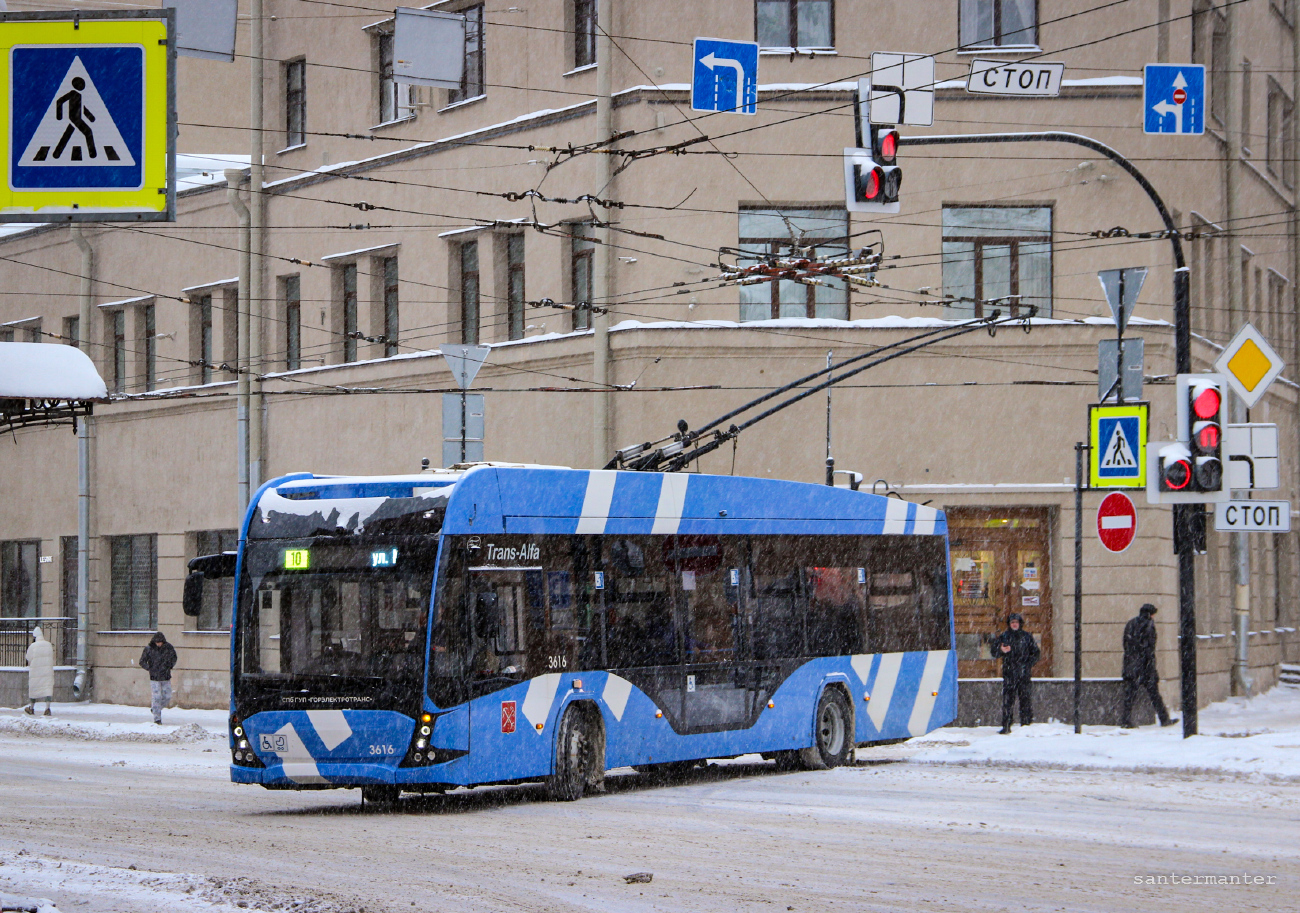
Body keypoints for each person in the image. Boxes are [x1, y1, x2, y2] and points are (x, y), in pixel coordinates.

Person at [1120, 603, 1176, 728]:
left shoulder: (1131, 623)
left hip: (1131, 665)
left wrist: (1132, 659)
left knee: (1130, 696)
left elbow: (1126, 644)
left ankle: (1126, 720)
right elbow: (1149, 649)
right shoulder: (1149, 625)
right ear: (1150, 614)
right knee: (1154, 695)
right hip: (1145, 666)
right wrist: (1150, 667)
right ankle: (1164, 719)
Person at [991, 613, 1039, 733]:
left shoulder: (1027, 637)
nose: (1014, 624)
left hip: (1024, 674)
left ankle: (1026, 725)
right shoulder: (1004, 636)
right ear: (1009, 624)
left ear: (1020, 624)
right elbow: (994, 651)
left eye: (1016, 622)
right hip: (1009, 674)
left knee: (1025, 700)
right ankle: (1007, 726)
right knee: (1008, 701)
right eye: (1012, 622)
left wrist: (1027, 664)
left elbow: (1036, 653)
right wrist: (1001, 650)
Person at [139, 631, 177, 725]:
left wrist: (169, 666)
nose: (159, 644)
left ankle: (155, 708)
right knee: (156, 697)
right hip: (154, 677)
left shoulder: (168, 648)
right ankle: (157, 719)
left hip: (165, 676)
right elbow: (142, 661)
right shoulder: (149, 649)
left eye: (160, 642)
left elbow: (174, 658)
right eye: (157, 642)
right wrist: (150, 669)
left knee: (167, 696)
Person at [24, 626, 54, 717]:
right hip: (47, 671)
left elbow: (28, 657)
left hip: (36, 671)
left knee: (34, 689)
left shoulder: (33, 646)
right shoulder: (48, 645)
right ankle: (47, 708)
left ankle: (32, 708)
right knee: (47, 688)